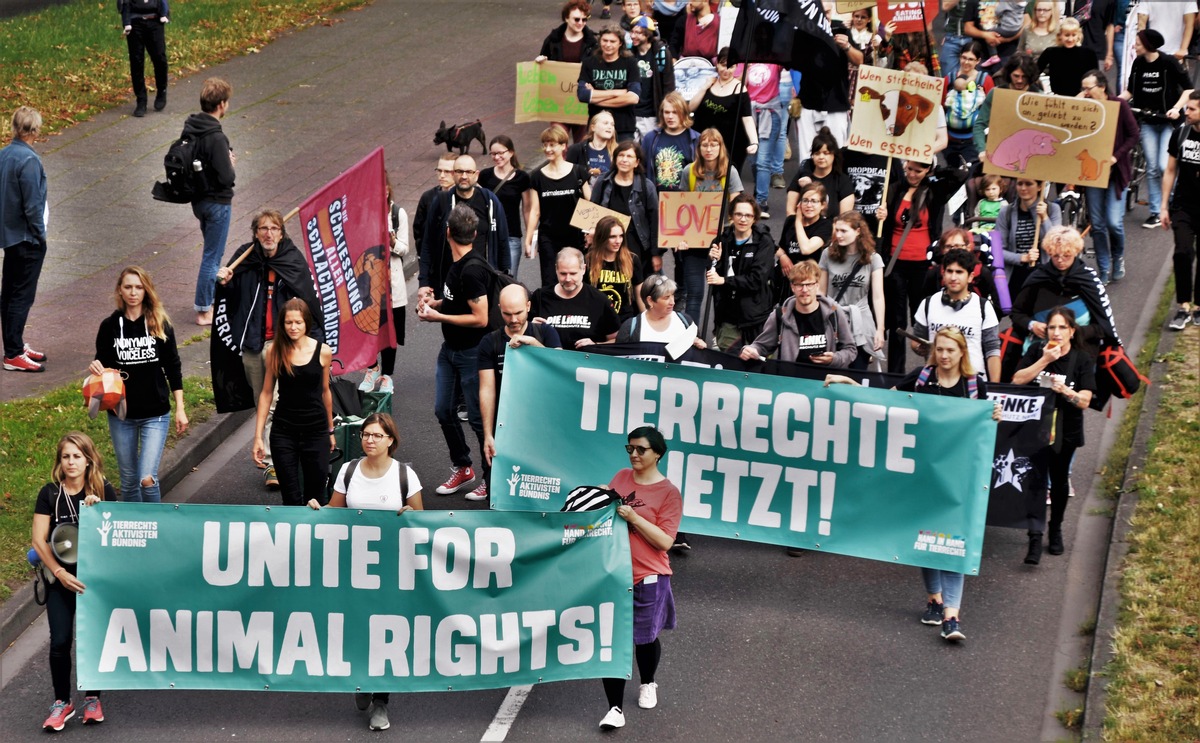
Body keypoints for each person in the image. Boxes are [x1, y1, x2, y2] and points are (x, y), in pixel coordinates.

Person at [826, 326, 1000, 638]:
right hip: (922, 476)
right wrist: (848, 383)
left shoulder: (974, 386)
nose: (945, 356)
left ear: (962, 352)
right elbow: (883, 401)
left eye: (951, 350)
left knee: (953, 542)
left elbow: (983, 430)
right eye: (941, 349)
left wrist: (994, 416)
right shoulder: (921, 378)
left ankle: (951, 617)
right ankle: (934, 599)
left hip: (958, 480)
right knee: (927, 538)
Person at [309, 412, 422, 731]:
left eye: (376, 435)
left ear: (391, 441)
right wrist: (319, 511)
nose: (369, 440)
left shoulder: (404, 476)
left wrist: (410, 513)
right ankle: (361, 681)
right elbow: (335, 509)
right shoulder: (348, 470)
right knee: (357, 627)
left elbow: (422, 519)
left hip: (391, 569)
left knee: (385, 631)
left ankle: (381, 703)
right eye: (365, 434)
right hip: (354, 567)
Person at [215, 208, 323, 490]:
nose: (268, 234)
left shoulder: (292, 259)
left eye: (274, 228)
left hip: (279, 342)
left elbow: (308, 300)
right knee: (261, 399)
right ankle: (282, 446)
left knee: (274, 400)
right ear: (255, 233)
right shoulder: (245, 256)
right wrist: (225, 281)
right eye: (263, 228)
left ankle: (276, 462)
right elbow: (229, 293)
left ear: (282, 232)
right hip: (252, 342)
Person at [598, 425, 682, 730]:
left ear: (657, 454)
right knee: (613, 639)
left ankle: (648, 681)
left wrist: (633, 517)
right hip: (612, 573)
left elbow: (665, 542)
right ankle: (615, 708)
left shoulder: (668, 493)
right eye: (629, 448)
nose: (633, 454)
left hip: (649, 576)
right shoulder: (621, 477)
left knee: (644, 639)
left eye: (641, 450)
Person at [33, 432, 117, 732]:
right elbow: (39, 540)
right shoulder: (50, 494)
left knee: (92, 639)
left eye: (77, 456)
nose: (71, 462)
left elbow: (116, 538)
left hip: (94, 583)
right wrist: (59, 573)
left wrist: (100, 512)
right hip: (61, 581)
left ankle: (92, 698)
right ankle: (62, 702)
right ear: (60, 461)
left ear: (88, 460)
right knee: (60, 641)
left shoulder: (103, 490)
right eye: (66, 456)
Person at [89, 266, 187, 503]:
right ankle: (135, 535)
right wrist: (95, 368)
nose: (133, 292)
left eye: (139, 287)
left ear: (146, 290)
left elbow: (173, 366)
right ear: (120, 291)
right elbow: (103, 364)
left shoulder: (159, 323)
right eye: (128, 287)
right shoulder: (109, 326)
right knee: (129, 479)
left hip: (156, 413)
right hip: (121, 414)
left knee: (146, 477)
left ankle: (156, 527)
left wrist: (181, 408)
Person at [417, 204, 492, 501]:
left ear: (448, 232)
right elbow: (457, 303)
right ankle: (463, 467)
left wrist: (440, 318)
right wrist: (435, 305)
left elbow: (481, 318)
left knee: (477, 418)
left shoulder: (472, 270)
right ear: (473, 234)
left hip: (473, 353)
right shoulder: (456, 264)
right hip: (450, 350)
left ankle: (491, 478)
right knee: (443, 410)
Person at [1012, 307, 1095, 560]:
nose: (1056, 333)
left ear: (1072, 331)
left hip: (1065, 430)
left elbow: (1085, 400)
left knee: (1058, 483)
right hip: (1036, 428)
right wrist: (1045, 361)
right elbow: (1017, 380)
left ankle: (1055, 528)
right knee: (1034, 481)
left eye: (1062, 328)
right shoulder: (1038, 351)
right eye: (1051, 327)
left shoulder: (1082, 359)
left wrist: (1067, 392)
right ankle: (1034, 536)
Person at [876, 159, 970, 374]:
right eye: (909, 169)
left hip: (923, 266)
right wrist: (881, 215)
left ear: (927, 170)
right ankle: (895, 373)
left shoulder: (935, 190)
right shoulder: (894, 189)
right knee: (897, 323)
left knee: (928, 319)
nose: (912, 174)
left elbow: (960, 175)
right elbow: (885, 225)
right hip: (895, 264)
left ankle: (932, 370)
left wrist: (935, 169)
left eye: (918, 171)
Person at [1005, 226, 1117, 380]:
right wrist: (1032, 325)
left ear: (1076, 252)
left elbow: (1102, 327)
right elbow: (1017, 313)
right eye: (1055, 255)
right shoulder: (1038, 279)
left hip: (1080, 356)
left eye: (1067, 255)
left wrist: (1071, 333)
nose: (1060, 260)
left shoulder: (1089, 282)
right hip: (1039, 354)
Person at [252, 298, 333, 508]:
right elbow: (266, 393)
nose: (293, 327)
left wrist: (330, 430)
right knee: (290, 497)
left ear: (307, 322)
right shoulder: (274, 351)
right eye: (289, 322)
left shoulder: (323, 351)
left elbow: (325, 391)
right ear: (282, 324)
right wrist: (258, 437)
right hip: (284, 432)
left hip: (316, 431)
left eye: (298, 322)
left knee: (316, 496)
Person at [480, 283, 562, 468]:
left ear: (528, 306)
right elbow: (487, 390)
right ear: (499, 309)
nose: (514, 319)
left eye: (518, 312)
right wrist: (487, 435)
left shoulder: (545, 333)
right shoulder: (489, 342)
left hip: (544, 424)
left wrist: (533, 344)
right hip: (506, 425)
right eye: (507, 314)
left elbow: (559, 371)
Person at [1121, 28, 1191, 231]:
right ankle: (1155, 212)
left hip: (1168, 122)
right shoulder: (1138, 63)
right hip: (1148, 122)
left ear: (1148, 45)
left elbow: (1188, 89)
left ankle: (1171, 201)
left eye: (1138, 43)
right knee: (1152, 167)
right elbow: (1130, 91)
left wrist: (1177, 109)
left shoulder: (1168, 63)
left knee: (1163, 165)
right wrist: (1113, 101)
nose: (1135, 46)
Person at [182, 78, 235, 327]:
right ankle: (204, 309)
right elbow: (226, 177)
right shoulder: (216, 137)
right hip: (217, 203)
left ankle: (211, 299)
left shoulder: (192, 127)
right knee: (212, 256)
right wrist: (230, 162)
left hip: (199, 201)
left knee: (212, 252)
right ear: (221, 104)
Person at [419, 154, 510, 299]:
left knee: (482, 321)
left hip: (484, 281)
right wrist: (423, 282)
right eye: (460, 171)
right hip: (451, 281)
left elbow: (503, 241)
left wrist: (506, 278)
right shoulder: (442, 202)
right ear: (454, 174)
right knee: (451, 320)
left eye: (469, 172)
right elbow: (427, 243)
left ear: (476, 175)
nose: (464, 176)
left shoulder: (490, 201)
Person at [1080, 69, 1140, 284]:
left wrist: (1116, 157)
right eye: (1083, 89)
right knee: (1097, 224)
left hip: (1116, 174)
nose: (1085, 93)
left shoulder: (1119, 106)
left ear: (1102, 87)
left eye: (1089, 88)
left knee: (1113, 222)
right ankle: (1103, 268)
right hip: (1093, 175)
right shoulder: (1085, 108)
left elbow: (1134, 135)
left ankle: (1118, 257)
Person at [1, 106, 48, 372]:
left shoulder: (4, 155)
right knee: (21, 295)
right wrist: (40, 235)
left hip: (9, 235)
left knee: (8, 293)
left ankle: (14, 342)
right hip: (26, 238)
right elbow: (33, 206)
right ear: (35, 130)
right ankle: (13, 353)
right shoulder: (29, 161)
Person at [741, 259, 856, 367]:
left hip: (825, 381)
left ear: (817, 286)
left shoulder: (834, 313)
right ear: (792, 287)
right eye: (799, 285)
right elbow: (761, 346)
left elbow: (850, 350)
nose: (804, 290)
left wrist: (834, 359)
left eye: (809, 284)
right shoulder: (780, 315)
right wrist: (750, 350)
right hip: (791, 383)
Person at [676, 128, 741, 319]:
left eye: (714, 145)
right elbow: (681, 206)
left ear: (721, 147)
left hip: (721, 240)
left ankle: (718, 335)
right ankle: (692, 336)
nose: (709, 149)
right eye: (704, 144)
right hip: (695, 239)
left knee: (721, 292)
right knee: (694, 294)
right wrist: (679, 238)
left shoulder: (730, 171)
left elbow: (736, 207)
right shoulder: (689, 171)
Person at [911, 249, 1002, 381]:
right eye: (949, 271)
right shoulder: (929, 303)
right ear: (943, 273)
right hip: (936, 381)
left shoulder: (983, 307)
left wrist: (994, 389)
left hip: (972, 382)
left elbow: (993, 351)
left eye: (959, 272)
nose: (953, 277)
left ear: (970, 277)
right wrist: (919, 347)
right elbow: (916, 340)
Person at [360, 174, 409, 395]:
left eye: (385, 188)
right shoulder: (363, 213)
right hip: (370, 284)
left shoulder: (398, 214)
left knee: (390, 332)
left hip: (392, 285)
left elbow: (405, 249)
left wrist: (393, 242)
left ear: (389, 188)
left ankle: (387, 375)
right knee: (369, 329)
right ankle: (372, 369)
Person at [707, 195, 775, 353]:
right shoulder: (721, 239)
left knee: (758, 364)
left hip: (757, 317)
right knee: (731, 362)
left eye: (748, 215)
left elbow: (756, 279)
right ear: (731, 215)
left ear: (755, 218)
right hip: (728, 316)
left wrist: (723, 280)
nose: (743, 219)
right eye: (738, 214)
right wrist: (712, 260)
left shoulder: (764, 242)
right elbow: (712, 276)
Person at [819, 211, 886, 370]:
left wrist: (880, 330)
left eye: (844, 231)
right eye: (837, 230)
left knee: (857, 372)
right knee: (831, 372)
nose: (839, 235)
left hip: (861, 321)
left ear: (857, 231)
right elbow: (821, 293)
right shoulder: (827, 254)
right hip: (834, 319)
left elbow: (878, 297)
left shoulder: (873, 258)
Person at [527, 126, 592, 288]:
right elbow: (535, 211)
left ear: (563, 146)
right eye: (545, 145)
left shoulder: (578, 172)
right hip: (549, 238)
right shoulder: (537, 176)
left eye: (552, 145)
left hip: (575, 236)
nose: (547, 149)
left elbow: (590, 203)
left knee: (578, 281)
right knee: (550, 282)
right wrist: (528, 239)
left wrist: (591, 231)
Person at [1161, 90, 1200, 331]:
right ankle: (1183, 305)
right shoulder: (1180, 134)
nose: (1187, 112)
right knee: (1182, 252)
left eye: (1193, 109)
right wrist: (1164, 206)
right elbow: (1170, 171)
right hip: (1183, 206)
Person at [590, 141, 659, 274]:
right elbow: (592, 209)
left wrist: (656, 254)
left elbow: (655, 221)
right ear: (615, 159)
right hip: (607, 246)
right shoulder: (603, 182)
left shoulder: (647, 186)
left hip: (637, 247)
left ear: (637, 162)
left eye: (629, 156)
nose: (624, 160)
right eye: (621, 155)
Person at [532, 247, 622, 348]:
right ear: (556, 269)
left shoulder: (599, 300)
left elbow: (616, 340)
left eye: (573, 273)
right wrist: (531, 328)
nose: (568, 279)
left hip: (585, 361)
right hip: (547, 361)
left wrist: (596, 345)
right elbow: (518, 332)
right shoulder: (540, 296)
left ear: (583, 269)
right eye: (563, 274)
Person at [537, 0, 600, 141]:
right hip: (559, 102)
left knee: (583, 144)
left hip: (583, 104)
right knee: (558, 142)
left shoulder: (593, 42)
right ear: (566, 18)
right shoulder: (553, 40)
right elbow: (544, 60)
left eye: (584, 19)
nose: (581, 23)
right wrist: (541, 61)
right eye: (576, 19)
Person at [688, 48, 758, 173]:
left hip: (731, 145)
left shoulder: (739, 88)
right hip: (705, 143)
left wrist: (754, 142)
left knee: (727, 181)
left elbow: (747, 118)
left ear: (736, 67)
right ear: (717, 64)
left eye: (731, 67)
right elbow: (690, 108)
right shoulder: (708, 82)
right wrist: (704, 87)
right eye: (723, 65)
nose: (726, 70)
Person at [995, 177, 1061, 297]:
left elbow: (1056, 244)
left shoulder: (1053, 209)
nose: (1023, 188)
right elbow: (998, 251)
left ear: (1040, 187)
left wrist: (1044, 218)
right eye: (1020, 184)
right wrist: (1022, 258)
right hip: (1016, 273)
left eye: (1029, 184)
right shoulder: (1006, 212)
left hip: (1044, 272)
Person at [479, 135, 533, 276]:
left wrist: (529, 238)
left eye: (500, 153)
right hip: (489, 236)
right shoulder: (484, 176)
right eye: (493, 154)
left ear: (510, 152)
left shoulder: (522, 177)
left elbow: (527, 209)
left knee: (509, 279)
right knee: (490, 279)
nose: (497, 157)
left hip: (512, 235)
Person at [578, 25, 642, 142]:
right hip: (597, 127)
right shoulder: (589, 63)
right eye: (605, 40)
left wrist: (595, 96)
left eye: (612, 41)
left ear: (620, 43)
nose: (608, 45)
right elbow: (582, 95)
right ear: (600, 41)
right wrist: (618, 92)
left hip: (624, 128)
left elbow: (633, 98)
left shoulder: (630, 63)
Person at [973, 53, 1042, 158]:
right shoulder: (996, 93)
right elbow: (980, 125)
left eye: (1024, 77)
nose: (1019, 80)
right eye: (1016, 76)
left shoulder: (1040, 97)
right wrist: (982, 150)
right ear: (1009, 74)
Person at [774, 183, 831, 304]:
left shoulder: (825, 226)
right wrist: (783, 256)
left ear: (822, 205)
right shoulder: (790, 221)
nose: (809, 205)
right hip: (786, 280)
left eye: (814, 201)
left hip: (808, 284)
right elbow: (779, 247)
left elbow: (806, 248)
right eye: (805, 200)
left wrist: (798, 221)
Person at [943, 40, 994, 167]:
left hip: (973, 141)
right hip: (951, 141)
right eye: (964, 58)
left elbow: (993, 110)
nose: (966, 62)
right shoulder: (949, 79)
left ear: (978, 61)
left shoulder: (985, 80)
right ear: (959, 57)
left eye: (971, 59)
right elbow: (941, 106)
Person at [616, 275, 706, 347]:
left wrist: (701, 346)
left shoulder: (686, 321)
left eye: (673, 296)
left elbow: (700, 357)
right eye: (666, 297)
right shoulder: (630, 328)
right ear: (650, 301)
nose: (673, 302)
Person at [743, 61, 784, 216]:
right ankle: (758, 190)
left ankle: (761, 202)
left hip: (770, 113)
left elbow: (790, 58)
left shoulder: (775, 60)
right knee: (753, 160)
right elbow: (739, 84)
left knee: (763, 161)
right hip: (749, 114)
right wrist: (746, 69)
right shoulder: (746, 58)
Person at [785, 127, 855, 219]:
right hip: (801, 229)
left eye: (826, 153)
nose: (821, 157)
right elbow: (790, 210)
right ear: (812, 155)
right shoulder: (802, 176)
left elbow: (845, 218)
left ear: (834, 155)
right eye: (817, 153)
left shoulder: (842, 181)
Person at [586, 216, 645, 322]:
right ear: (602, 237)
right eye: (612, 237)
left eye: (621, 236)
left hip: (625, 319)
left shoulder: (632, 259)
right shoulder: (589, 260)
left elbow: (639, 294)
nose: (618, 241)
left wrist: (646, 320)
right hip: (597, 319)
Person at [628, 15, 676, 141]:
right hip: (631, 113)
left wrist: (664, 114)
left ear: (648, 34)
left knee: (649, 153)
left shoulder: (661, 53)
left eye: (638, 33)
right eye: (632, 32)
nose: (633, 36)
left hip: (651, 115)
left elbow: (669, 86)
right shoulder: (629, 53)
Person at [640, 92, 697, 193]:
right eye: (667, 112)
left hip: (687, 201)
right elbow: (641, 171)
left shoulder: (696, 139)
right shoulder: (650, 139)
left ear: (683, 113)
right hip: (657, 201)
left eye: (675, 112)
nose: (670, 116)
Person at [120, 0, 169, 117]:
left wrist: (163, 14)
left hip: (155, 20)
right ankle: (141, 100)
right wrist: (126, 22)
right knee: (136, 61)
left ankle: (162, 90)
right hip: (134, 22)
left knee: (159, 57)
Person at [413, 154, 457, 272]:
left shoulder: (462, 197)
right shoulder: (428, 197)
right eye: (439, 170)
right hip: (432, 261)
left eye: (447, 171)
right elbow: (418, 229)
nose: (442, 175)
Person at [1037, 17, 1100, 97]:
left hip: (1083, 98)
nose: (1070, 39)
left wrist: (1084, 93)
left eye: (1073, 35)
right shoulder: (1050, 52)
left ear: (1079, 36)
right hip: (1056, 99)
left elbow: (1096, 79)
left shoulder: (1089, 54)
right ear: (1060, 35)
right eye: (1067, 35)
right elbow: (1034, 73)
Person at [962, 0, 1026, 71]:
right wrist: (986, 35)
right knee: (980, 81)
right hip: (981, 55)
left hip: (1007, 54)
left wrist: (1007, 39)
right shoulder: (973, 1)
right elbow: (967, 28)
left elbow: (1027, 23)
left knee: (1003, 81)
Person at [567, 111, 617, 189]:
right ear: (593, 127)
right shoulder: (577, 149)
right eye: (605, 123)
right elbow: (568, 177)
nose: (610, 127)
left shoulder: (618, 151)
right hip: (582, 197)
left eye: (612, 124)